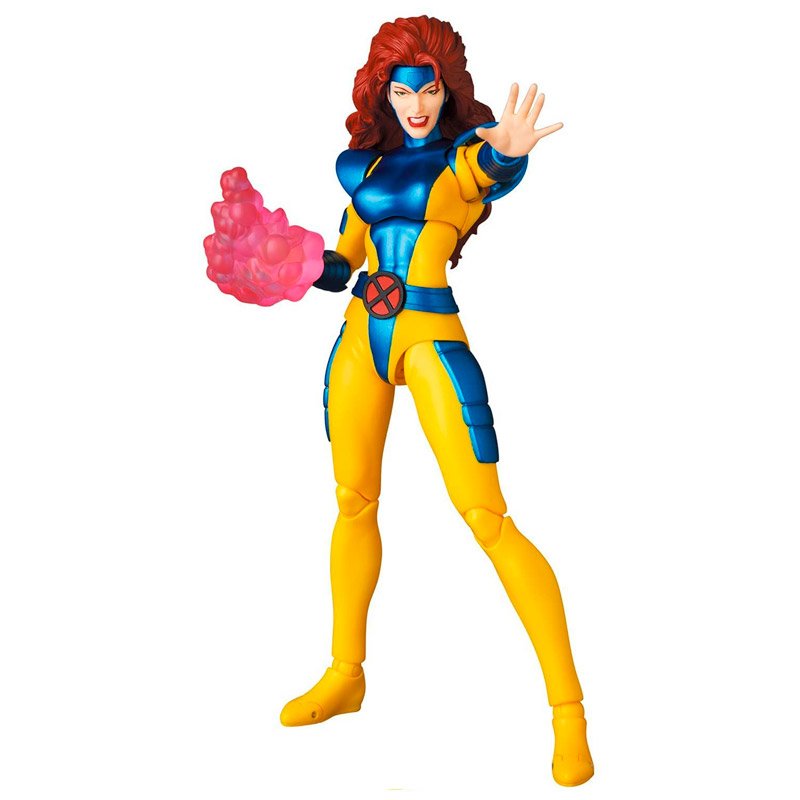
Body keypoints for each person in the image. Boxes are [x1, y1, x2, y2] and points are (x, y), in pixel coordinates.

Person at [280, 15, 594, 787]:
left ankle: (568, 712)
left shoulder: (458, 161)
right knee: (352, 502)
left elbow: (490, 169)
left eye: (428, 89)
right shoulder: (363, 168)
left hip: (429, 339)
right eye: (403, 90)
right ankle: (346, 672)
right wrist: (293, 262)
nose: (417, 103)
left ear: (446, 91)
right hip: (361, 337)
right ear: (382, 94)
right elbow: (343, 258)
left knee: (487, 517)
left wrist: (508, 153)